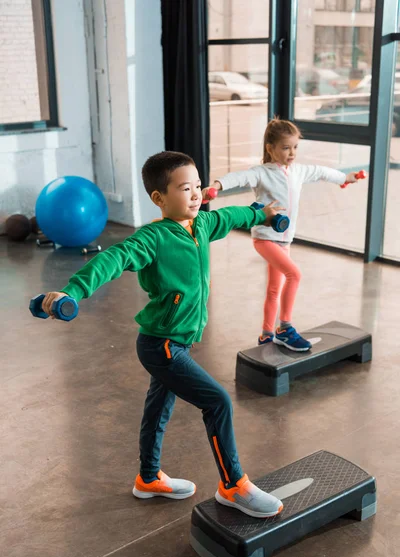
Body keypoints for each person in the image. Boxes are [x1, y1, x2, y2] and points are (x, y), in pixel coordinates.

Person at [39, 151, 285, 519]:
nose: (196, 194)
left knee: (158, 409)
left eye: (198, 186)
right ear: (159, 198)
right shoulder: (152, 238)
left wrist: (259, 213)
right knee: (217, 401)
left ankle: (149, 478)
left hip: (178, 342)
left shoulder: (200, 225)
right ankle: (233, 485)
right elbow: (113, 258)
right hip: (162, 345)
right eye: (186, 188)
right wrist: (73, 291)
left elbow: (229, 216)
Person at [203, 118, 362, 352]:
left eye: (295, 147)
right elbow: (238, 177)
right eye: (286, 147)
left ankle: (266, 335)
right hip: (265, 238)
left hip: (284, 240)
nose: (292, 153)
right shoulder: (262, 173)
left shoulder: (297, 171)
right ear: (271, 148)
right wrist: (217, 184)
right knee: (294, 275)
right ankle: (285, 328)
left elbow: (321, 171)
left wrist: (344, 179)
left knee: (274, 289)